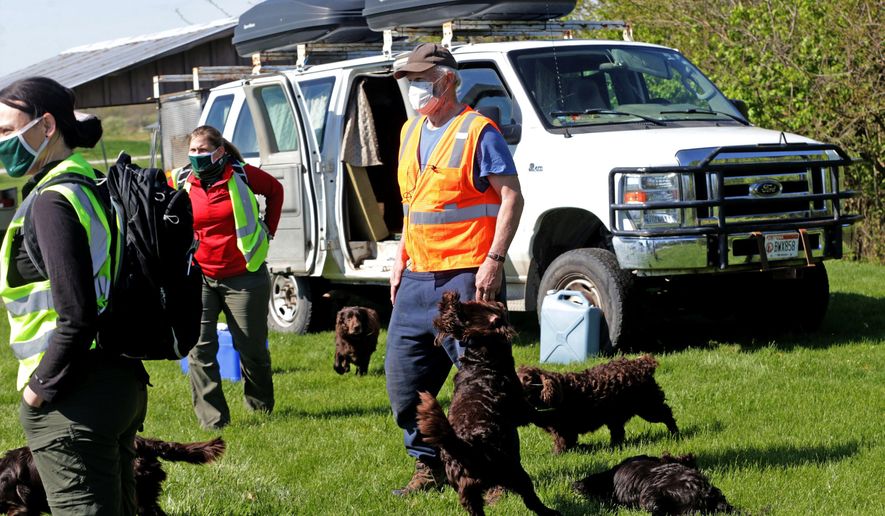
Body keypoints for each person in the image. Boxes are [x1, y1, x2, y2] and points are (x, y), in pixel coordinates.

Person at [0, 77, 149, 514]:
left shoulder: (51, 202)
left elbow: (76, 315)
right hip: (118, 379)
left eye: (8, 130)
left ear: (46, 126)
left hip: (72, 393)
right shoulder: (91, 183)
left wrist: (37, 391)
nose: (1, 141)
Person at [385, 43, 525, 495]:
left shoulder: (479, 131)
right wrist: (399, 259)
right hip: (416, 277)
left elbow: (511, 197)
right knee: (404, 386)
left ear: (446, 79)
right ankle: (430, 465)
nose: (411, 87)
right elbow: (415, 205)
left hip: (467, 276)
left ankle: (498, 471)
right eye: (407, 80)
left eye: (418, 78)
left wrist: (494, 261)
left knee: (484, 388)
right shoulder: (410, 131)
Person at [171, 125, 283, 430]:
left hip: (243, 276)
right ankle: (213, 420)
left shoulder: (241, 174)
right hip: (199, 276)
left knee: (252, 348)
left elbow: (275, 191)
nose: (196, 156)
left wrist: (267, 230)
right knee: (199, 348)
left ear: (219, 151)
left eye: (202, 150)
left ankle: (260, 408)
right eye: (192, 151)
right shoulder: (182, 179)